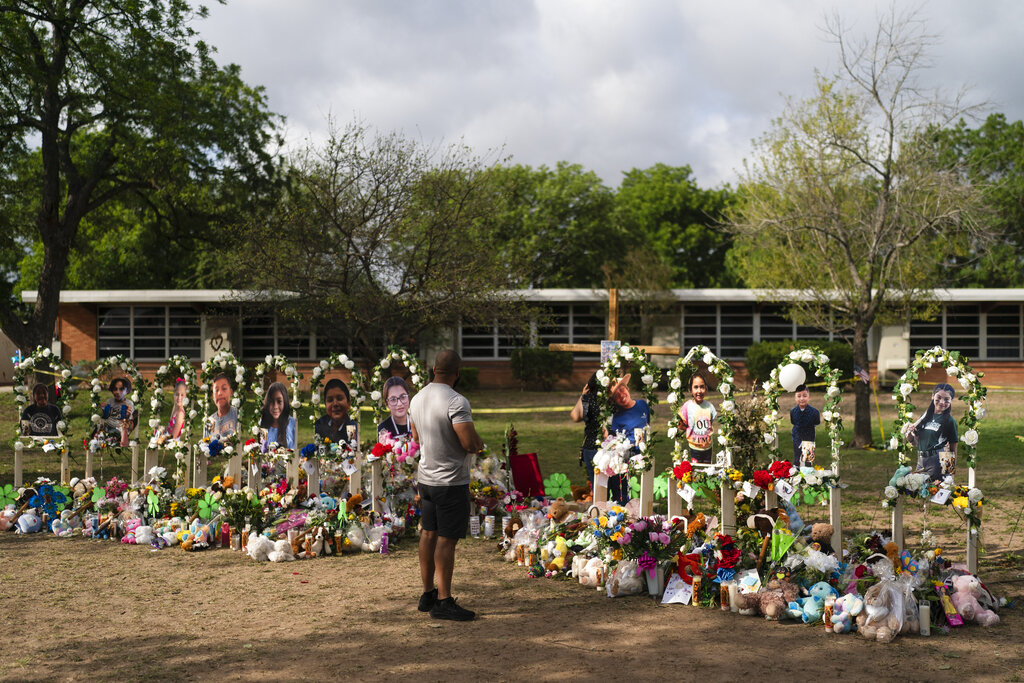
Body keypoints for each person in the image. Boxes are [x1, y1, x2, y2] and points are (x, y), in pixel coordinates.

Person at [409, 349, 483, 621]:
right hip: (450, 481)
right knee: (446, 540)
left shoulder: (417, 398)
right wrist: (478, 443)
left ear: (433, 369)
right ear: (457, 373)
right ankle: (444, 600)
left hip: (426, 479)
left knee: (428, 533)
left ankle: (427, 593)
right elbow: (469, 442)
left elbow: (416, 436)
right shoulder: (456, 401)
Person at [606, 373, 650, 504]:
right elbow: (616, 440)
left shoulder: (642, 405)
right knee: (621, 480)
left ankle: (640, 504)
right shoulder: (617, 417)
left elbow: (648, 424)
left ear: (627, 388)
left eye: (621, 389)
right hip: (627, 455)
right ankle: (622, 502)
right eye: (616, 395)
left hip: (643, 451)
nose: (621, 395)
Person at [905, 383, 959, 481]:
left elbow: (953, 448)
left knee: (937, 489)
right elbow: (916, 443)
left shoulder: (950, 421)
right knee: (917, 487)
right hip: (921, 460)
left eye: (946, 399)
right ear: (933, 396)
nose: (942, 402)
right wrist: (909, 436)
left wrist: (949, 474)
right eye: (939, 397)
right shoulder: (924, 416)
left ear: (951, 401)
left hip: (938, 461)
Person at [570, 373, 601, 491]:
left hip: (590, 446)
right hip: (608, 447)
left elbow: (575, 416)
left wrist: (582, 396)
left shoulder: (588, 400)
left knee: (597, 487)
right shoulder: (611, 401)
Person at [677, 372, 716, 465]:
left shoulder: (710, 407)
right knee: (696, 470)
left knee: (707, 470)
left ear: (706, 388)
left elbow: (710, 423)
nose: (699, 391)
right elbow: (681, 425)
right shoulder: (687, 406)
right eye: (696, 387)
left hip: (708, 448)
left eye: (702, 387)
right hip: (694, 448)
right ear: (690, 390)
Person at [314, 378, 358, 445]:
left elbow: (352, 448)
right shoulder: (320, 424)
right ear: (325, 405)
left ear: (349, 404)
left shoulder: (351, 426)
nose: (335, 404)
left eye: (339, 399)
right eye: (330, 400)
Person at [260, 381, 297, 450]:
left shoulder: (291, 423)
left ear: (285, 402)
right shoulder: (262, 422)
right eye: (271, 401)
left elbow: (293, 450)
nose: (275, 407)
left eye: (279, 401)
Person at [790, 384, 821, 465]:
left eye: (804, 396)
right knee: (797, 459)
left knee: (808, 461)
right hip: (796, 438)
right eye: (799, 396)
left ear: (808, 397)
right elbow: (793, 422)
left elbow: (816, 422)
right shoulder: (793, 412)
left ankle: (808, 471)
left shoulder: (815, 412)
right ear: (795, 398)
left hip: (809, 438)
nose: (802, 398)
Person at [101, 377, 136, 446]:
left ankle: (111, 439)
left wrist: (128, 414)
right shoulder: (110, 401)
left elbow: (128, 421)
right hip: (109, 426)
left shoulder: (129, 404)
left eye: (121, 389)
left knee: (115, 432)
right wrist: (102, 409)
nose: (117, 392)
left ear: (127, 391)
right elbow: (106, 416)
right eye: (115, 389)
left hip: (121, 429)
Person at [377, 376, 413, 440]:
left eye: (403, 397)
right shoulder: (383, 429)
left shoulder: (417, 424)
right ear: (387, 404)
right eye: (393, 399)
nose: (399, 404)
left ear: (408, 398)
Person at [206, 373, 238, 440]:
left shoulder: (237, 414)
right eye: (216, 390)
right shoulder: (209, 421)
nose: (220, 393)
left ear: (231, 392)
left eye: (224, 388)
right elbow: (205, 443)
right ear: (213, 396)